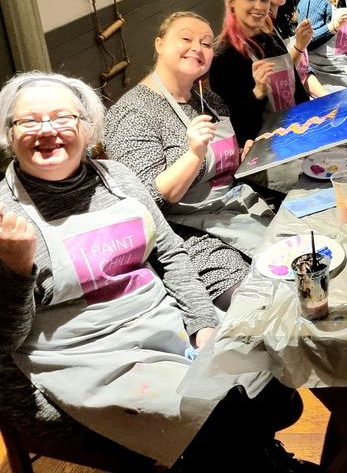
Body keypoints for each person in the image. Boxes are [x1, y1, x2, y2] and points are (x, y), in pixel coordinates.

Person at [0, 72, 318, 472]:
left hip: (159, 323)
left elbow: (171, 253)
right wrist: (15, 270)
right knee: (218, 411)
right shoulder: (4, 215)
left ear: (86, 126)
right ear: (9, 134)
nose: (48, 131)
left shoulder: (118, 179)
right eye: (29, 121)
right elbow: (4, 341)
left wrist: (201, 321)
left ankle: (259, 456)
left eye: (63, 117)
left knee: (271, 377)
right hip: (82, 359)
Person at [104, 12, 277, 307]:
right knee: (259, 302)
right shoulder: (133, 113)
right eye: (186, 38)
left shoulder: (208, 100)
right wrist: (193, 155)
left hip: (236, 208)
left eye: (207, 44)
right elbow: (145, 200)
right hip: (186, 235)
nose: (197, 48)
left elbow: (224, 166)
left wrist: (243, 158)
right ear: (159, 44)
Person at [209, 0, 313, 147]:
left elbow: (297, 91)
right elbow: (230, 124)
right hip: (263, 152)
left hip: (298, 137)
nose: (259, 6)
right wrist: (257, 92)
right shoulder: (223, 55)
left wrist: (313, 123)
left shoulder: (271, 38)